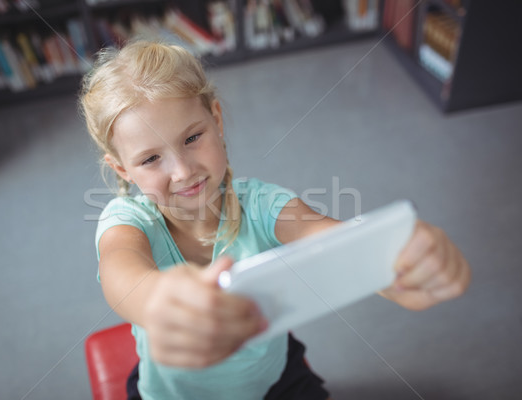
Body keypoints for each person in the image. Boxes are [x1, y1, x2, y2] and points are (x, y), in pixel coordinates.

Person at [79, 40, 471, 400]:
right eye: (150, 159)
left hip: (275, 384)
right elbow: (121, 271)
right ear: (122, 169)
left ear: (216, 119)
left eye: (192, 138)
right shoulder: (126, 217)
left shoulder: (264, 203)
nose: (182, 171)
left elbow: (326, 236)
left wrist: (394, 260)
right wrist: (156, 302)